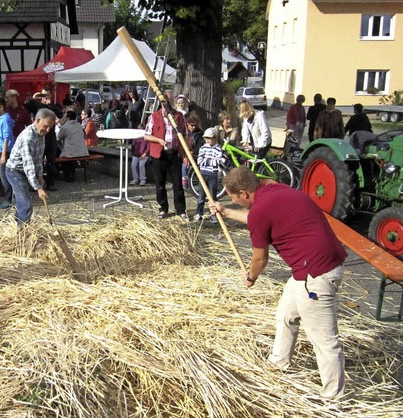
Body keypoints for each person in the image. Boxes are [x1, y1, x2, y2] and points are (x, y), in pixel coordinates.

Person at [208, 166, 347, 400]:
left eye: (234, 199)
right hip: (312, 268)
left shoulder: (261, 208)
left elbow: (260, 258)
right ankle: (279, 364)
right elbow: (256, 216)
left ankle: (334, 398)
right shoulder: (273, 190)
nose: (236, 203)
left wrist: (250, 277)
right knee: (286, 315)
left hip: (315, 274)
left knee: (324, 339)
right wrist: (226, 211)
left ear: (244, 193)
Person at [5, 108, 56, 226]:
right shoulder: (27, 137)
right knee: (26, 205)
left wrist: (39, 176)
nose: (48, 130)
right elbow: (29, 165)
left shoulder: (40, 135)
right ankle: (23, 234)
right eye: (46, 126)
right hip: (15, 172)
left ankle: (18, 224)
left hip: (24, 171)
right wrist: (38, 188)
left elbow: (38, 159)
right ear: (37, 120)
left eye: (50, 127)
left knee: (22, 202)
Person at [143, 101, 189, 219]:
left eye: (168, 105)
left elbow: (185, 135)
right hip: (159, 155)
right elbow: (146, 135)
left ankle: (181, 210)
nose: (167, 108)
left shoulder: (178, 116)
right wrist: (158, 140)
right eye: (164, 105)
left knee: (178, 183)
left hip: (174, 154)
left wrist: (185, 155)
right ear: (161, 105)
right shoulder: (154, 117)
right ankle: (163, 208)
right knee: (160, 183)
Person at [194, 127, 225, 223]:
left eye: (209, 138)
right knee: (201, 196)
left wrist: (207, 161)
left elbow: (220, 161)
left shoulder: (219, 149)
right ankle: (199, 213)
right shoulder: (203, 148)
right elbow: (199, 161)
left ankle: (213, 214)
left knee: (213, 196)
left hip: (213, 174)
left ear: (215, 138)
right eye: (206, 138)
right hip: (203, 173)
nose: (207, 140)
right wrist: (212, 161)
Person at [0, 97, 15, 209]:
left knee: (4, 175)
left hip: (3, 151)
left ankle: (9, 199)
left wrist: (4, 155)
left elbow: (7, 138)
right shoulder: (0, 117)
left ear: (1, 107)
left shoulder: (5, 119)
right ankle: (7, 195)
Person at [57, 110, 89, 182]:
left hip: (71, 152)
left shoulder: (65, 127)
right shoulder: (79, 125)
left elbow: (59, 137)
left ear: (68, 118)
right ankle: (72, 174)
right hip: (82, 151)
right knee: (71, 156)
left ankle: (68, 176)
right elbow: (84, 135)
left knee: (63, 158)